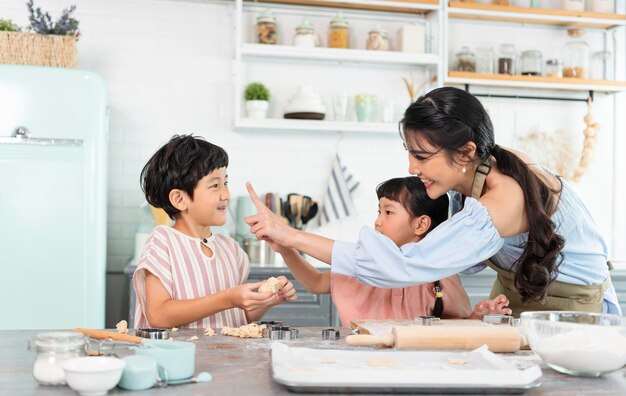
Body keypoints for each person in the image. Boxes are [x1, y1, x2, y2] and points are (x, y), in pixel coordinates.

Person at [245, 87, 620, 316]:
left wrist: (291, 235)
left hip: (570, 304)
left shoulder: (504, 198)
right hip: (518, 291)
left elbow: (401, 267)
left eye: (422, 156)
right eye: (409, 153)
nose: (411, 167)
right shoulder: (477, 175)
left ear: (465, 151)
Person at [269, 177, 511, 327]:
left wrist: (477, 318)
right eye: (378, 212)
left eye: (388, 212)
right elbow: (317, 283)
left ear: (420, 225)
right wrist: (287, 251)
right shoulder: (367, 264)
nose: (377, 222)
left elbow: (454, 325)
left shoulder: (439, 276)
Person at [133, 135, 296, 329]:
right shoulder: (163, 242)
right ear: (179, 199)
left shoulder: (230, 249)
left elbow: (239, 316)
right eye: (215, 185)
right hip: (181, 358)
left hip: (224, 357)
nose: (226, 195)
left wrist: (268, 299)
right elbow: (158, 315)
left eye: (225, 183)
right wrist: (228, 298)